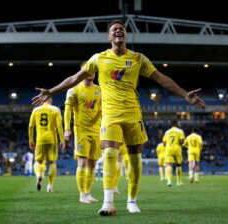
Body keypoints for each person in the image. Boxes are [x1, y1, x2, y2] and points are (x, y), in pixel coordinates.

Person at [32, 20, 204, 216]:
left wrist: (184, 94)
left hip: (133, 114)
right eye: (114, 30)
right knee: (110, 155)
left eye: (121, 29)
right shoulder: (99, 58)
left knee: (134, 158)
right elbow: (74, 78)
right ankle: (108, 203)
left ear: (126, 35)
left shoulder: (138, 58)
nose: (118, 31)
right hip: (110, 115)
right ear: (109, 37)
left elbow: (161, 78)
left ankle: (132, 200)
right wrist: (51, 91)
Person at [64, 73, 101, 203]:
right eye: (86, 71)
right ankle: (82, 194)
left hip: (97, 131)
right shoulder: (74, 90)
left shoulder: (99, 90)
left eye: (92, 71)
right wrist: (67, 129)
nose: (90, 73)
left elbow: (102, 109)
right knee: (82, 162)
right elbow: (68, 110)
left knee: (92, 164)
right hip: (81, 131)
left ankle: (88, 192)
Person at [28, 98, 65, 192]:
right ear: (50, 100)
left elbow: (31, 126)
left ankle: (39, 175)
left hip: (40, 139)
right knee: (52, 162)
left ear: (41, 101)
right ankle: (50, 185)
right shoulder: (56, 109)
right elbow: (59, 126)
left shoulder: (36, 110)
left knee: (38, 161)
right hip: (52, 139)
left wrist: (31, 139)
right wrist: (62, 139)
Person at [163, 120, 185, 186]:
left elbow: (164, 142)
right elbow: (182, 140)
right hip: (177, 148)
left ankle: (169, 181)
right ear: (177, 124)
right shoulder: (180, 131)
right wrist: (180, 144)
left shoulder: (167, 132)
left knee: (169, 164)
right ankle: (179, 182)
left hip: (168, 148)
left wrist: (167, 146)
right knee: (178, 165)